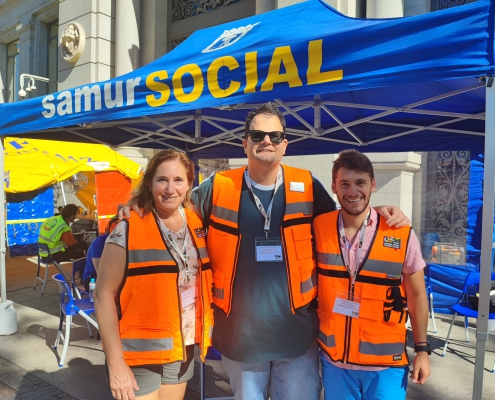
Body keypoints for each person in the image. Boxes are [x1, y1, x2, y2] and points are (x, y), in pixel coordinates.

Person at [122, 102, 409, 400]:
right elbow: (173, 209)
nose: (266, 141)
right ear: (245, 143)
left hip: (298, 337)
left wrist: (376, 211)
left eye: (274, 136)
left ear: (285, 144)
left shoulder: (307, 184)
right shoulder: (218, 186)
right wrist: (137, 204)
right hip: (241, 337)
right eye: (257, 135)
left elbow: (342, 222)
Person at [95, 150, 214, 400]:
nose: (170, 189)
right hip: (140, 354)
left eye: (178, 180)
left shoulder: (196, 221)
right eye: (162, 180)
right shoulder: (129, 226)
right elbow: (103, 295)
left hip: (182, 345)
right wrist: (116, 365)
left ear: (189, 184)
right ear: (149, 183)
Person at [313, 149, 430, 400]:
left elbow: (418, 295)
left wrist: (422, 350)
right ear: (334, 187)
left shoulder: (400, 233)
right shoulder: (318, 227)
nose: (352, 191)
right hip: (336, 364)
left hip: (385, 366)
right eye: (344, 183)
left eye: (360, 183)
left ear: (373, 184)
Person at [81, 217, 119, 291]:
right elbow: (100, 272)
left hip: (109, 276)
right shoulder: (99, 242)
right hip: (92, 279)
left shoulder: (117, 242)